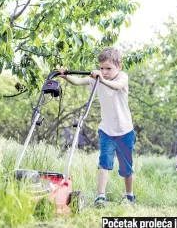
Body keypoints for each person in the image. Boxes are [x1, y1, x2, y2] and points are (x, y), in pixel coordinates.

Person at [57, 47, 136, 207]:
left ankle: (129, 195)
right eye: (101, 68)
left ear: (119, 66)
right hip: (106, 130)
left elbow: (117, 86)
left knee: (126, 168)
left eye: (108, 68)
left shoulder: (122, 77)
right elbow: (79, 81)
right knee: (104, 163)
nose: (104, 72)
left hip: (125, 132)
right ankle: (100, 196)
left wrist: (101, 78)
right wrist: (65, 76)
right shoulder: (96, 79)